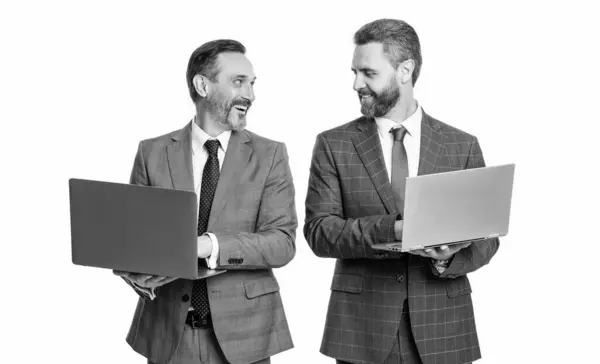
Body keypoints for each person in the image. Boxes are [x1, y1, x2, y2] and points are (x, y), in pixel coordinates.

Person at [304, 19, 499, 364]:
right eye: (354, 72)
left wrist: (448, 258)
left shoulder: (461, 145)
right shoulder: (333, 144)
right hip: (362, 329)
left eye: (368, 73)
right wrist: (394, 229)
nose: (356, 84)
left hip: (445, 329)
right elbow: (319, 231)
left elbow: (487, 237)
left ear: (405, 70)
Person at [114, 39, 297, 364]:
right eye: (238, 82)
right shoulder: (152, 152)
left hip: (246, 338)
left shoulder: (270, 155)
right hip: (169, 336)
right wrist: (138, 276)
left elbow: (281, 243)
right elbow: (133, 242)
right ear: (203, 84)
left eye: (252, 84)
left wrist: (207, 245)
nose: (251, 95)